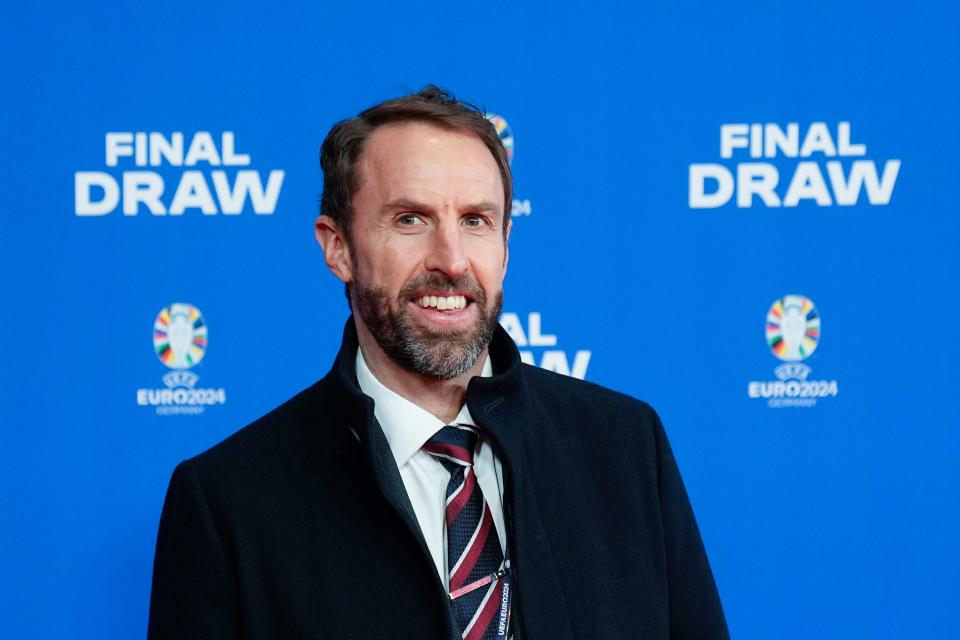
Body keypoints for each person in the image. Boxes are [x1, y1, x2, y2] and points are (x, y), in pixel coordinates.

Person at [148, 86, 729, 639]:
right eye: (411, 219)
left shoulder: (625, 448)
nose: (451, 261)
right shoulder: (228, 501)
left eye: (475, 220)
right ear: (338, 246)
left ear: (505, 244)